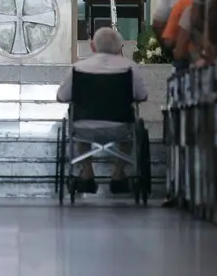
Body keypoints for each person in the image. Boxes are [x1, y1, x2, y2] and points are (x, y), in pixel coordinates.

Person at [56, 28, 148, 195]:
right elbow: (142, 96)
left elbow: (62, 97)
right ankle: (118, 175)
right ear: (120, 47)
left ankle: (87, 172)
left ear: (93, 47)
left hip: (83, 127)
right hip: (121, 126)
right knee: (132, 125)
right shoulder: (130, 68)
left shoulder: (78, 68)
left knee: (76, 117)